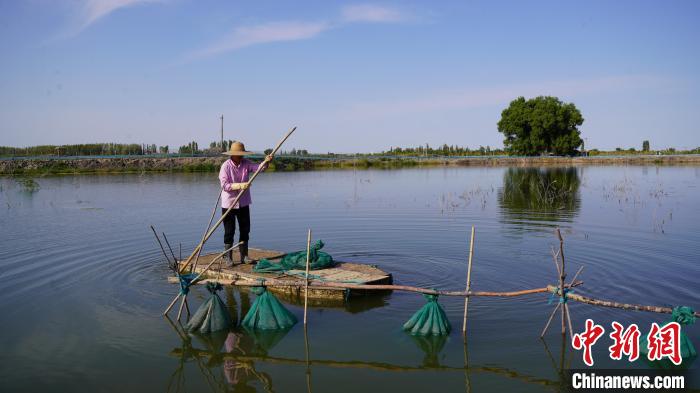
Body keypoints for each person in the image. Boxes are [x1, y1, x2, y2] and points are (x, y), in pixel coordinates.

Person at [219, 141, 272, 265]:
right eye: (239, 154)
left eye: (242, 154)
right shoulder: (225, 166)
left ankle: (244, 256)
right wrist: (240, 185)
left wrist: (267, 161)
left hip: (243, 203)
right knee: (229, 231)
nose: (241, 156)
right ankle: (228, 257)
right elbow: (225, 186)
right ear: (232, 155)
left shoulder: (246, 163)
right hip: (229, 204)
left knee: (245, 229)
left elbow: (259, 169)